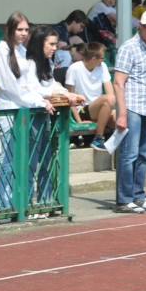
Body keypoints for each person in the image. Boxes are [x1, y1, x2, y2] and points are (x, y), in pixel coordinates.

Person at [23, 26, 84, 204]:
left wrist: (69, 93)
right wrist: (59, 94)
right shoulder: (30, 63)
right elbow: (35, 89)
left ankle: (45, 202)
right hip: (31, 116)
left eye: (56, 44)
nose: (55, 48)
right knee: (31, 163)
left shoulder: (47, 63)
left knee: (46, 159)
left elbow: (51, 84)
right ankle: (26, 204)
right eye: (51, 44)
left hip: (45, 115)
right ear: (39, 42)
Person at [112, 8, 146, 213]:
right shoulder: (129, 48)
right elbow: (118, 82)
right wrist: (122, 113)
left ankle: (138, 196)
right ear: (140, 26)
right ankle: (124, 199)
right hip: (132, 107)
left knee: (144, 154)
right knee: (129, 154)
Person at [64, 41, 116, 149]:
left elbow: (110, 91)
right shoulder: (74, 68)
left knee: (117, 116)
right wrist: (79, 121)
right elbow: (68, 97)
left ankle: (118, 150)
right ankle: (98, 138)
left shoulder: (103, 67)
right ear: (93, 59)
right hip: (82, 109)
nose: (104, 60)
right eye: (102, 58)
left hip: (98, 109)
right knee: (109, 99)